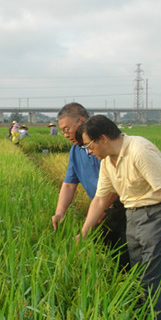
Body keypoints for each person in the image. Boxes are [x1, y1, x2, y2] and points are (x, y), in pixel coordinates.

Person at [77, 115, 161, 320]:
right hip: (132, 217)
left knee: (154, 281)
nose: (89, 152)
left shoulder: (139, 150)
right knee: (138, 277)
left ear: (103, 138)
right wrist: (83, 233)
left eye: (89, 146)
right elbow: (100, 199)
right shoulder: (108, 162)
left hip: (156, 217)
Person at [52, 103, 129, 269]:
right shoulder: (76, 150)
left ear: (81, 121)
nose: (65, 135)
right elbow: (69, 184)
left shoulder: (103, 145)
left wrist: (101, 210)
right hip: (101, 210)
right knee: (106, 258)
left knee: (123, 260)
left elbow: (115, 185)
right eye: (62, 131)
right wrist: (60, 212)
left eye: (67, 129)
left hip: (122, 210)